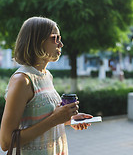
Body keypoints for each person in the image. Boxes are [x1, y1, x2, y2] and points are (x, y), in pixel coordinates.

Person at [0, 16, 92, 155]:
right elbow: (6, 142)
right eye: (55, 38)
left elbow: (42, 120)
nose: (60, 44)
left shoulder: (47, 75)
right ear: (38, 40)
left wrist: (69, 120)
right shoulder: (22, 80)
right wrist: (55, 119)